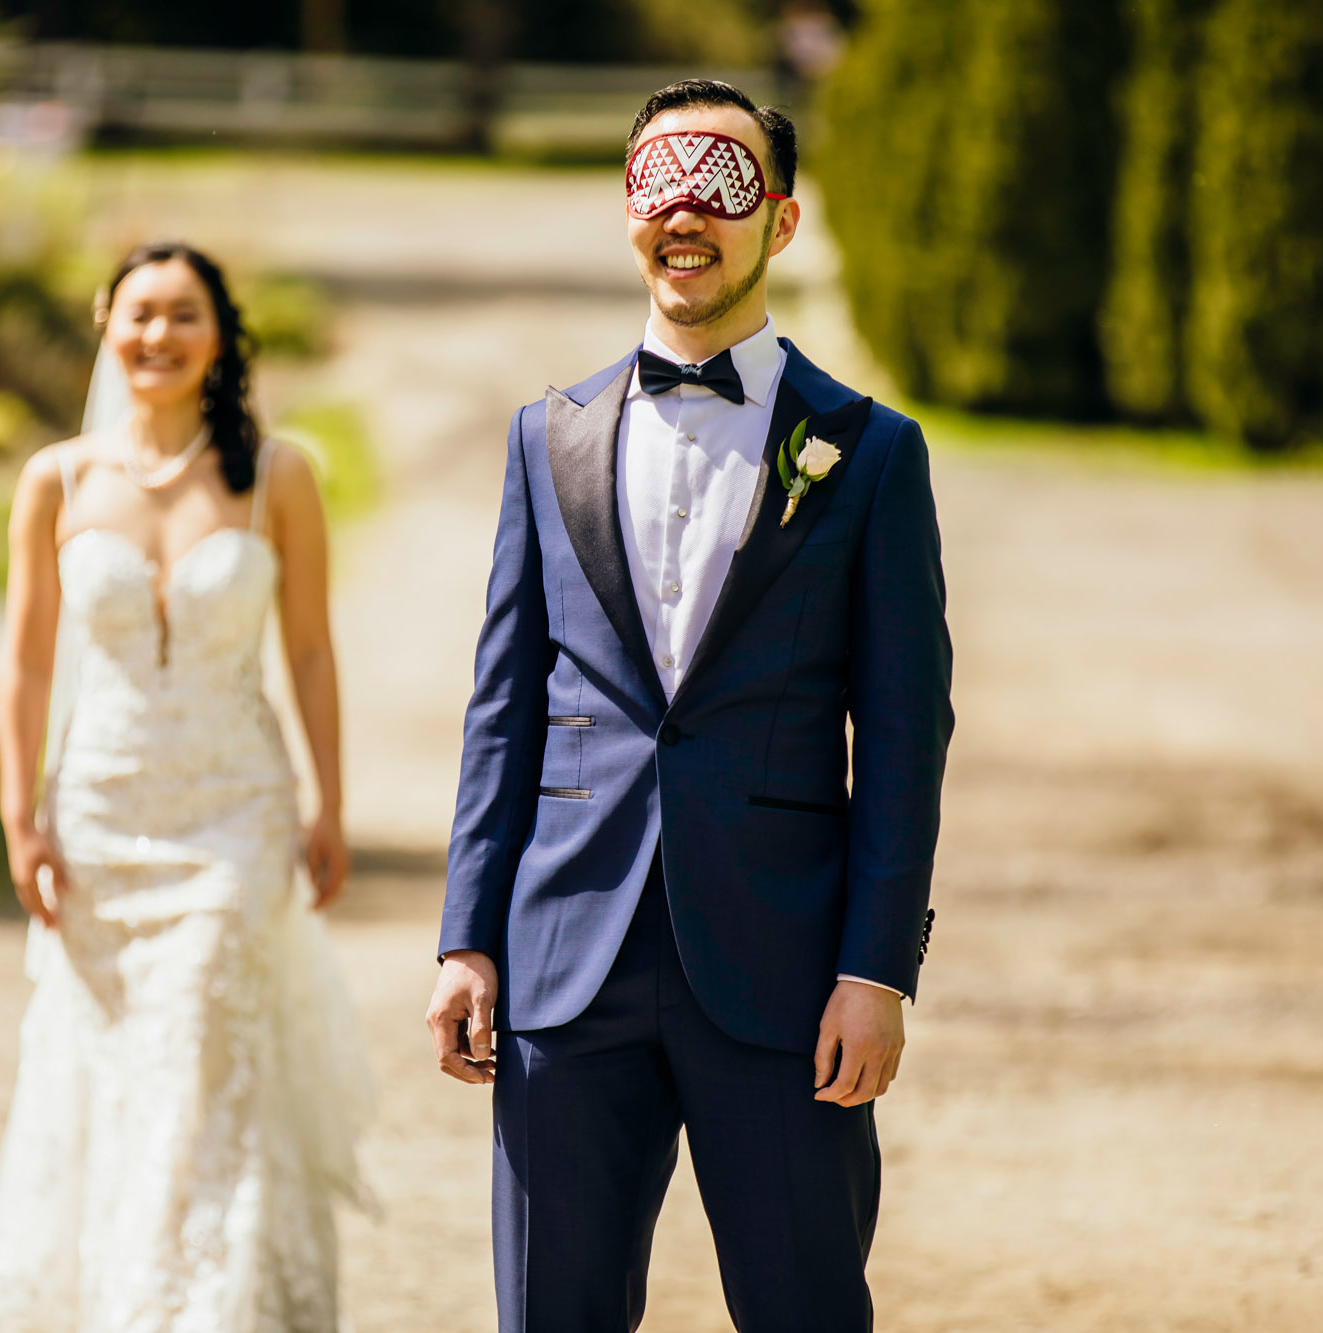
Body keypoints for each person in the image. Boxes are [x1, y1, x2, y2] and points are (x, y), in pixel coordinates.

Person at [426, 80, 955, 1332]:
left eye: (720, 190)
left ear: (775, 219)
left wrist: (873, 969)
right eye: (659, 187)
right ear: (626, 213)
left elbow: (900, 734)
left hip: (779, 972)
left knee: (801, 1305)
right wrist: (467, 934)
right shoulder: (541, 439)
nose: (685, 215)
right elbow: (503, 705)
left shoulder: (868, 454)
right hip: (564, 960)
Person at [0, 241, 370, 1332]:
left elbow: (313, 653)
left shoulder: (276, 476)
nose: (157, 335)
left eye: (182, 315)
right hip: (97, 814)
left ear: (219, 336)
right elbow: (27, 662)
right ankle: (110, 1297)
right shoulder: (53, 478)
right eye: (139, 313)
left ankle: (197, 1309)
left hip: (235, 814)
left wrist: (327, 803)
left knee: (200, 1039)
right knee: (112, 1069)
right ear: (104, 322)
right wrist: (20, 815)